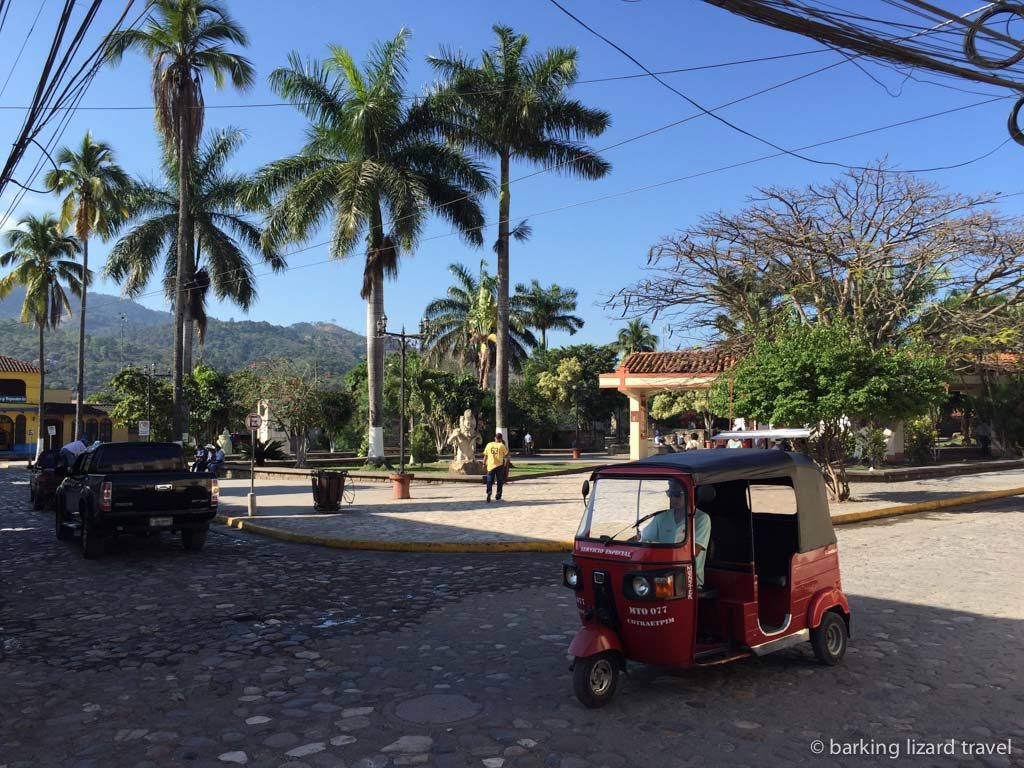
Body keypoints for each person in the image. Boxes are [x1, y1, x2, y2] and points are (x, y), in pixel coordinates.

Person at [483, 433, 509, 502]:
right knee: (499, 481)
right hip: (499, 466)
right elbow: (506, 455)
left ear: (495, 438)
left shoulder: (489, 445)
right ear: (501, 439)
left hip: (490, 465)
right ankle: (498, 495)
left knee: (489, 480)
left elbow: (485, 455)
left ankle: (489, 492)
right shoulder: (501, 445)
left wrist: (484, 464)